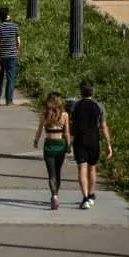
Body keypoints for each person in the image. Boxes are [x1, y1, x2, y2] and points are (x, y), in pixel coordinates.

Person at [71, 79, 112, 210]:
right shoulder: (99, 106)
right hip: (94, 140)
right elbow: (103, 126)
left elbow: (73, 125)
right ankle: (91, 193)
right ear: (92, 91)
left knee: (81, 169)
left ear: (80, 91)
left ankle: (85, 198)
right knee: (92, 168)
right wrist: (108, 144)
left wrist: (70, 140)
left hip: (80, 140)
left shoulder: (75, 106)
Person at [33, 93, 71, 210]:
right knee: (58, 172)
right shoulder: (64, 115)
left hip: (49, 145)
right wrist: (68, 145)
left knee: (51, 174)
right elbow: (66, 132)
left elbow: (39, 130)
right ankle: (56, 196)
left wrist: (36, 140)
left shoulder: (45, 115)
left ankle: (54, 195)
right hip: (60, 145)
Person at [0, 6, 20, 106]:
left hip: (2, 56)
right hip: (12, 56)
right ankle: (9, 100)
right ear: (7, 16)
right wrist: (16, 50)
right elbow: (18, 41)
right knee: (10, 78)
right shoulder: (15, 26)